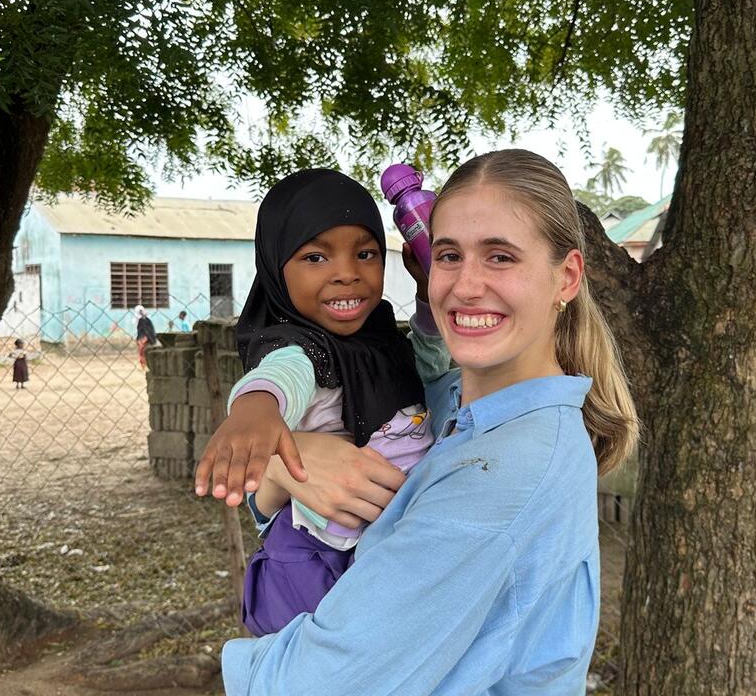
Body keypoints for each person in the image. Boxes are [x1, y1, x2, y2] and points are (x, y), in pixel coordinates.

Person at [214, 150, 640, 695]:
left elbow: (313, 684)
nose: (466, 286)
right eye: (449, 255)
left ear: (567, 277)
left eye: (500, 257)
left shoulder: (502, 471)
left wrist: (250, 663)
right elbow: (420, 362)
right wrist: (286, 467)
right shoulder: (459, 404)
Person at [195, 168, 449, 637]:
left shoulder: (381, 341)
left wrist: (428, 296)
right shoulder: (298, 348)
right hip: (314, 561)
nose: (347, 273)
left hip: (381, 550)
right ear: (276, 267)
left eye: (366, 253)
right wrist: (255, 409)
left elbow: (428, 366)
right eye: (315, 256)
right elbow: (280, 378)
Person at [134, 305, 157, 370]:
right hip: (145, 338)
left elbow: (146, 330)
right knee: (142, 353)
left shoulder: (145, 320)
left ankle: (144, 365)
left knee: (143, 353)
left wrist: (145, 338)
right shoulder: (145, 320)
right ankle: (144, 365)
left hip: (144, 338)